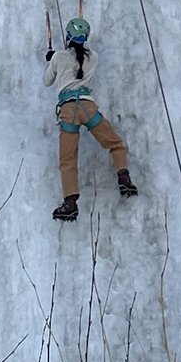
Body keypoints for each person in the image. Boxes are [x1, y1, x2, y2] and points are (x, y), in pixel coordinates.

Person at [46, 16, 138, 222]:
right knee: (115, 144)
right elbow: (79, 61)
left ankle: (70, 204)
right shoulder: (93, 57)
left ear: (68, 36)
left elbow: (47, 80)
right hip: (88, 108)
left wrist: (51, 59)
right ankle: (123, 177)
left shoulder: (59, 57)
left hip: (68, 110)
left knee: (67, 160)